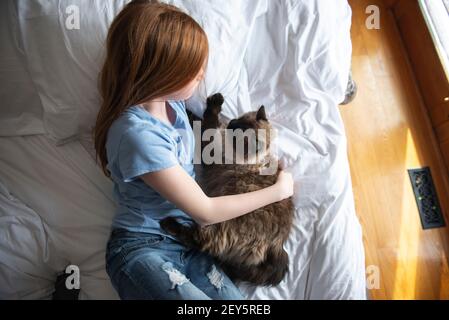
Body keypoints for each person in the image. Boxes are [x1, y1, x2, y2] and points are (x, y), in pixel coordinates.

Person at [94, 0, 294, 300]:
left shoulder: (171, 104)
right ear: (163, 75)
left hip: (189, 247)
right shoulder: (138, 136)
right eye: (194, 69)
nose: (202, 74)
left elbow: (213, 143)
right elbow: (205, 212)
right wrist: (279, 191)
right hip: (143, 249)